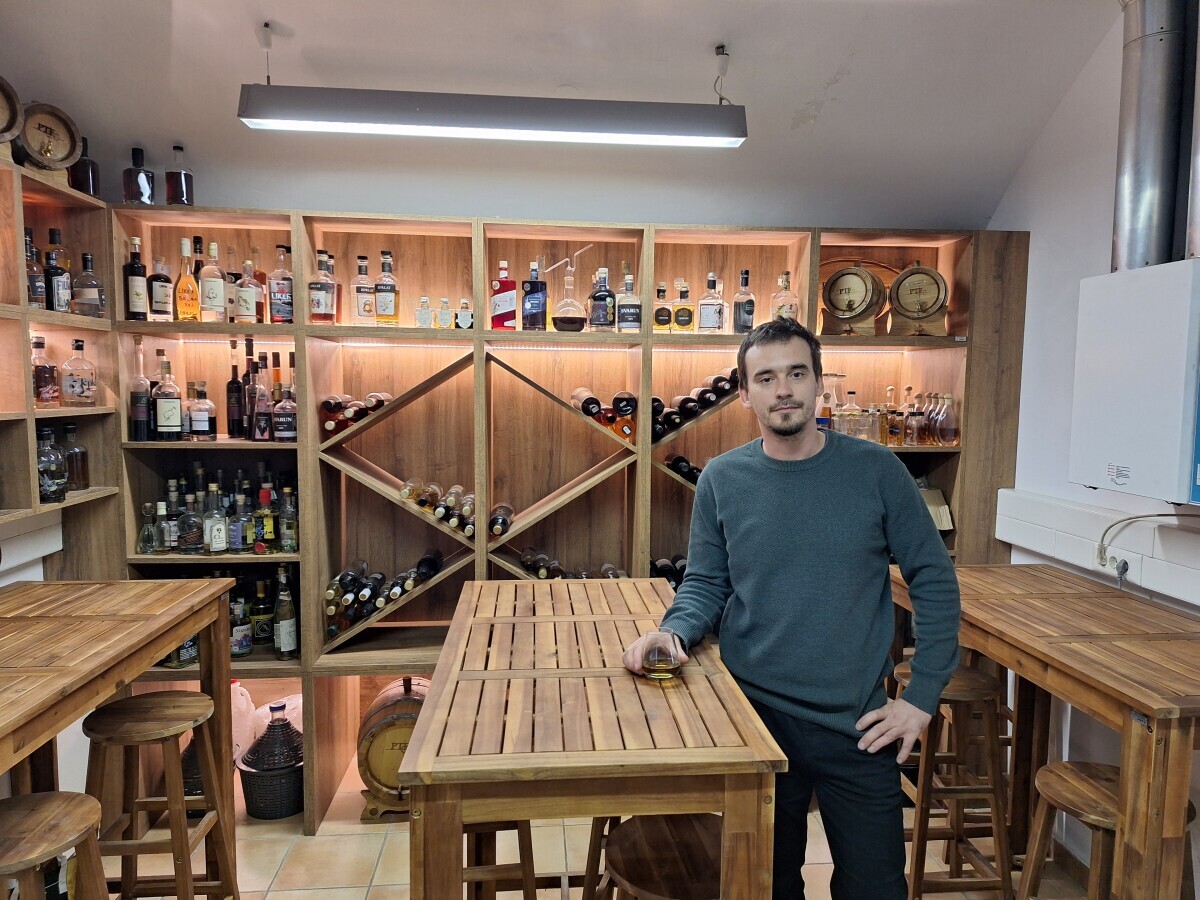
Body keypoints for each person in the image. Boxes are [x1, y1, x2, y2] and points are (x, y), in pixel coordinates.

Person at [622, 318, 960, 899]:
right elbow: (706, 581)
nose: (783, 390)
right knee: (767, 887)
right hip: (756, 719)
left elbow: (934, 578)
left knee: (877, 889)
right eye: (767, 377)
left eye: (797, 374)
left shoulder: (877, 470)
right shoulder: (723, 478)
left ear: (818, 382)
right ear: (744, 392)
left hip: (858, 724)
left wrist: (921, 698)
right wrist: (673, 632)